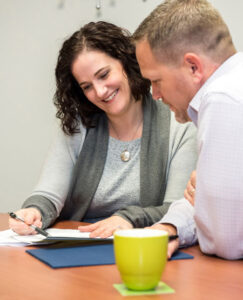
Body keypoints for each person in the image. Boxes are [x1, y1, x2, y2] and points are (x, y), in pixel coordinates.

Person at [9, 21, 197, 238]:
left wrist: (128, 218)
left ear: (126, 63)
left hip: (144, 248)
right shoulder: (77, 125)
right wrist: (35, 211)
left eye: (104, 75)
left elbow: (179, 210)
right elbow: (48, 196)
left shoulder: (180, 123)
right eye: (86, 86)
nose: (99, 92)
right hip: (80, 247)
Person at [134, 0, 243, 260]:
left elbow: (225, 241)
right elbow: (205, 206)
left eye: (156, 80)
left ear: (193, 67)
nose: (155, 95)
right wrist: (174, 224)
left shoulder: (222, 99)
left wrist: (202, 202)